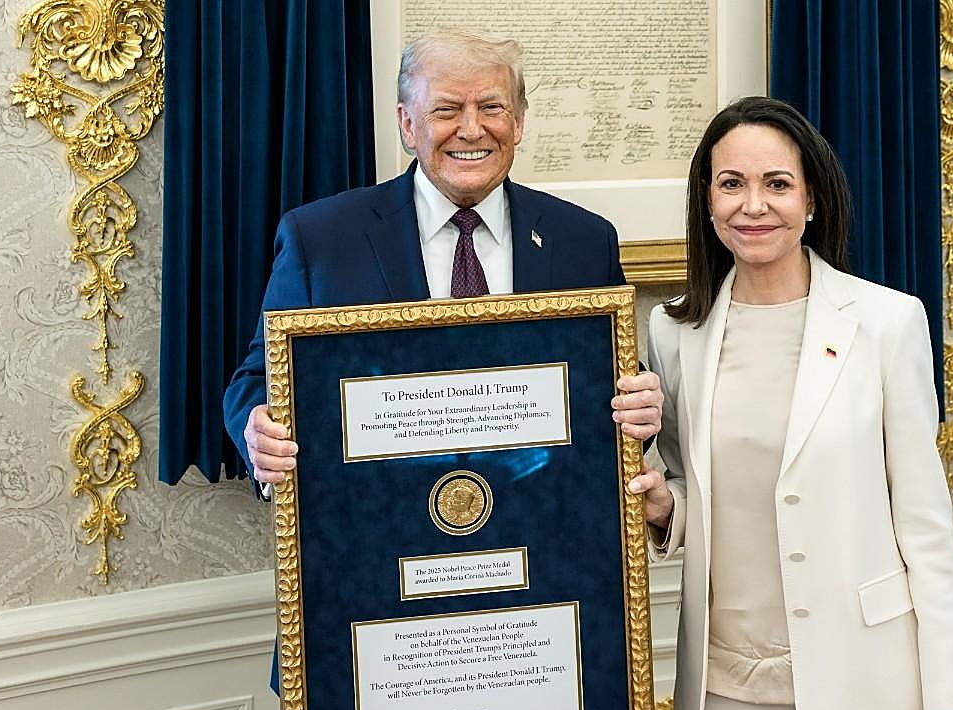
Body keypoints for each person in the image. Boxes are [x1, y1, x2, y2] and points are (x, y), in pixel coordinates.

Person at [626, 97, 953, 710]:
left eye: (777, 184)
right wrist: (663, 506)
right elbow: (696, 487)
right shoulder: (675, 330)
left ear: (812, 199)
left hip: (866, 680)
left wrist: (951, 698)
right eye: (731, 184)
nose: (753, 205)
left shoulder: (887, 322)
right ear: (707, 199)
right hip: (726, 686)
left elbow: (925, 527)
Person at [223, 30, 663, 484]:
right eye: (447, 110)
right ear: (407, 125)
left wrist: (640, 408)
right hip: (379, 514)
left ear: (518, 122)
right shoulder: (321, 240)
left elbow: (611, 387)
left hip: (540, 513)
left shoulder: (584, 241)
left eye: (491, 108)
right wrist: (259, 433)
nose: (471, 130)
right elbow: (258, 381)